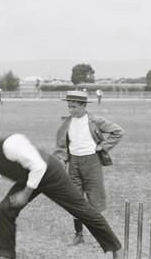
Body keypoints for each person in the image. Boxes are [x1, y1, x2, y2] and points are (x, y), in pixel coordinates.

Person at [0, 117, 125, 259]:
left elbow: (39, 166)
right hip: (28, 178)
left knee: (81, 209)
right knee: (5, 208)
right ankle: (6, 256)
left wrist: (25, 194)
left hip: (49, 173)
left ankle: (116, 249)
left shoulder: (11, 143)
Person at [53, 89, 124, 246]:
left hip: (92, 163)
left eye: (74, 107)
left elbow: (118, 131)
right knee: (74, 199)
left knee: (95, 201)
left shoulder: (95, 120)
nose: (71, 110)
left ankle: (102, 237)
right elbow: (60, 146)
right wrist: (62, 161)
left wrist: (102, 146)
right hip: (73, 164)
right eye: (69, 107)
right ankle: (78, 234)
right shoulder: (66, 123)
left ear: (83, 105)